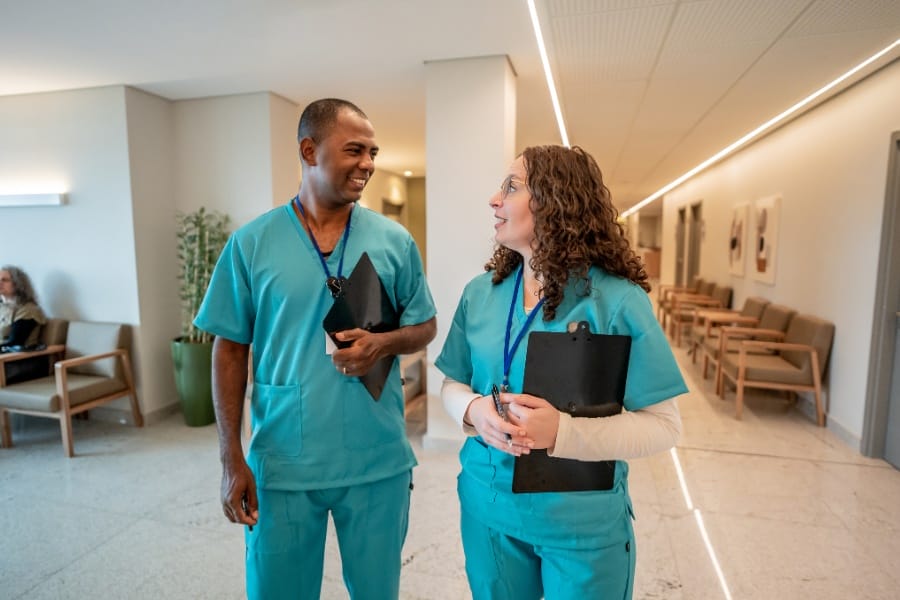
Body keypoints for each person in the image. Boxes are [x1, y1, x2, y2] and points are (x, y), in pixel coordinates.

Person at [194, 98, 437, 600]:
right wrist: (230, 459)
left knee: (376, 590)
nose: (368, 163)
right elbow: (229, 349)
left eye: (373, 151)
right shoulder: (252, 244)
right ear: (309, 150)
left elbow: (425, 325)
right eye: (354, 150)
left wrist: (383, 344)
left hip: (376, 459)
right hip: (284, 459)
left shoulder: (394, 241)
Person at [436, 145, 687, 599]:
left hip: (580, 527)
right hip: (488, 509)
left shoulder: (616, 300)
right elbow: (452, 382)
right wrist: (473, 410)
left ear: (555, 201)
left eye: (511, 187)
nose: (494, 199)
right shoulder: (482, 293)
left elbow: (663, 426)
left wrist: (564, 432)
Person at [1, 265, 49, 383]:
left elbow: (15, 342)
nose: (0, 283)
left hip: (19, 362)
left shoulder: (28, 309)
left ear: (18, 284)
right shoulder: (2, 307)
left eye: (5, 280)